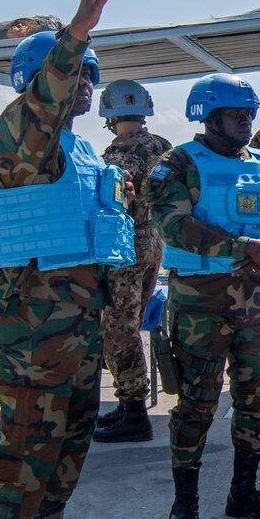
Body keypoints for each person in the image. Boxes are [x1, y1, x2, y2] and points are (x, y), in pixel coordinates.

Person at [0, 0, 129, 519]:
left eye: (92, 73)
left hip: (80, 317)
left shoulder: (78, 149)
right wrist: (75, 37)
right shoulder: (20, 135)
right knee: (29, 439)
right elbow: (46, 103)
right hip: (36, 321)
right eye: (77, 73)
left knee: (73, 432)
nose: (86, 83)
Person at [150, 73, 260, 519]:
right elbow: (172, 225)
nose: (245, 121)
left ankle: (244, 492)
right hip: (200, 297)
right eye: (234, 113)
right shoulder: (178, 163)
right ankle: (185, 505)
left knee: (257, 395)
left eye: (249, 113)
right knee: (197, 401)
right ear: (208, 116)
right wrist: (243, 246)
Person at [92, 80, 173, 443]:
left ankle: (135, 410)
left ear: (109, 116)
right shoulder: (163, 147)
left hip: (126, 244)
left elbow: (112, 204)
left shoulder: (117, 155)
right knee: (132, 320)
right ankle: (129, 405)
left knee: (119, 327)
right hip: (154, 240)